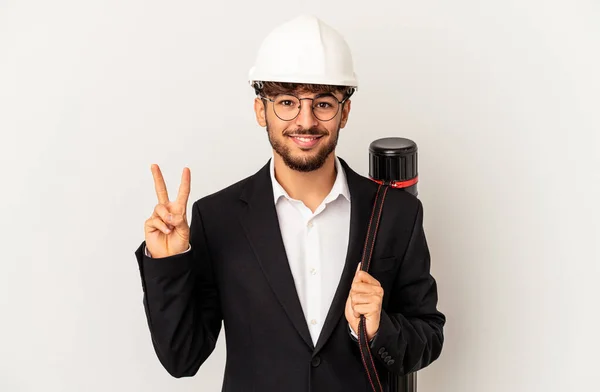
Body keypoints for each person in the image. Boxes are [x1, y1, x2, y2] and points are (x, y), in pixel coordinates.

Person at [134, 14, 445, 392]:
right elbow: (182, 358)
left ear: (344, 112)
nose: (306, 120)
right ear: (260, 110)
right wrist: (168, 263)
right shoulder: (218, 218)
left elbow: (427, 337)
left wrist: (380, 328)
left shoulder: (397, 213)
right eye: (286, 101)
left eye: (324, 103)